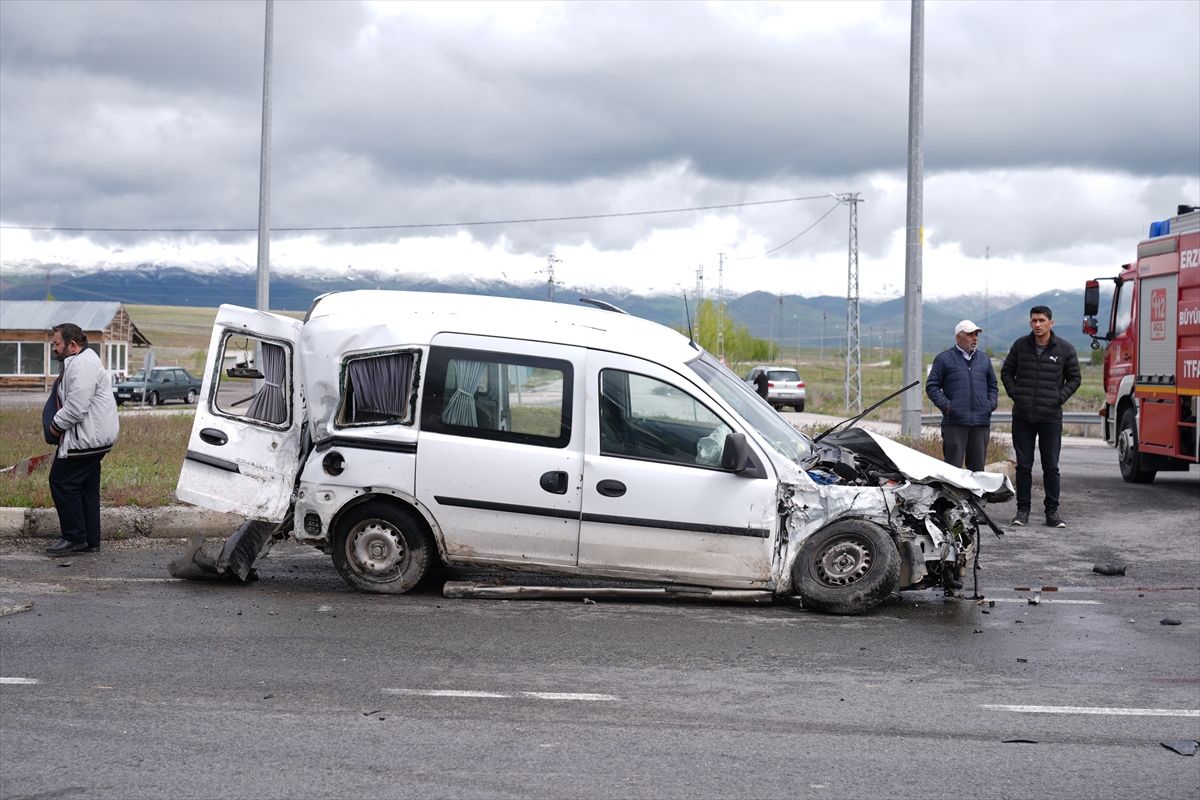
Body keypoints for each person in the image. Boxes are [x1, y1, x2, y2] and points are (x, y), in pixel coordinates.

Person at [43, 323, 120, 556]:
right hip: (93, 438)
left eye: (57, 343)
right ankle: (90, 540)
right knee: (85, 487)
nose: (54, 348)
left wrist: (55, 427)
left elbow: (76, 407)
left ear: (72, 345)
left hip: (86, 440)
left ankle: (74, 536)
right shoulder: (82, 361)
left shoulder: (83, 364)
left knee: (61, 481)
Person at [1001, 305, 1081, 528]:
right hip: (1023, 416)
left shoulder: (1064, 348)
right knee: (1024, 466)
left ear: (1050, 323)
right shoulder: (1020, 346)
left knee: (1051, 466)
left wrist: (1059, 397)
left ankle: (1052, 513)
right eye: (1034, 320)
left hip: (1051, 417)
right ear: (1030, 323)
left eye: (1042, 320)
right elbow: (1007, 371)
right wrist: (1016, 394)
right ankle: (1022, 511)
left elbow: (1075, 378)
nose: (1038, 324)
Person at [926, 320, 997, 471]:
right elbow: (932, 386)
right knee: (953, 472)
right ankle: (954, 496)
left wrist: (989, 405)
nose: (975, 338)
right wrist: (948, 407)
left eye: (976, 334)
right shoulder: (944, 359)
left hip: (980, 423)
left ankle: (976, 496)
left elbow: (993, 386)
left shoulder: (984, 360)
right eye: (970, 334)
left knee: (978, 473)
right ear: (959, 338)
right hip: (955, 424)